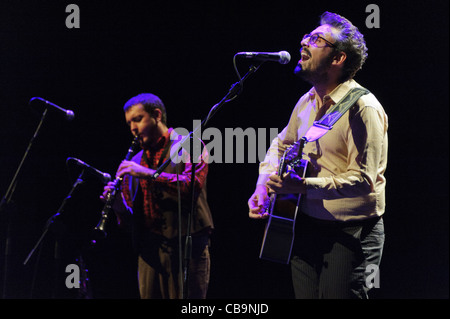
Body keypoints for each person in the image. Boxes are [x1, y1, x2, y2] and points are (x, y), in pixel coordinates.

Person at [248, 11, 388, 299]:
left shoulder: (363, 108)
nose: (303, 42)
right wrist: (263, 184)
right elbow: (282, 144)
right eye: (307, 36)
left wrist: (303, 186)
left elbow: (364, 181)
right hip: (305, 225)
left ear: (338, 59)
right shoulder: (308, 99)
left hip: (349, 233)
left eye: (316, 39)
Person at [101, 93, 213, 299]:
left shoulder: (190, 144)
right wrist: (118, 205)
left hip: (187, 249)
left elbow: (192, 185)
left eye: (137, 119)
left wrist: (149, 174)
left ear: (157, 115)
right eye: (129, 123)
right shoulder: (135, 160)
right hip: (150, 252)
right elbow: (131, 220)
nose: (132, 128)